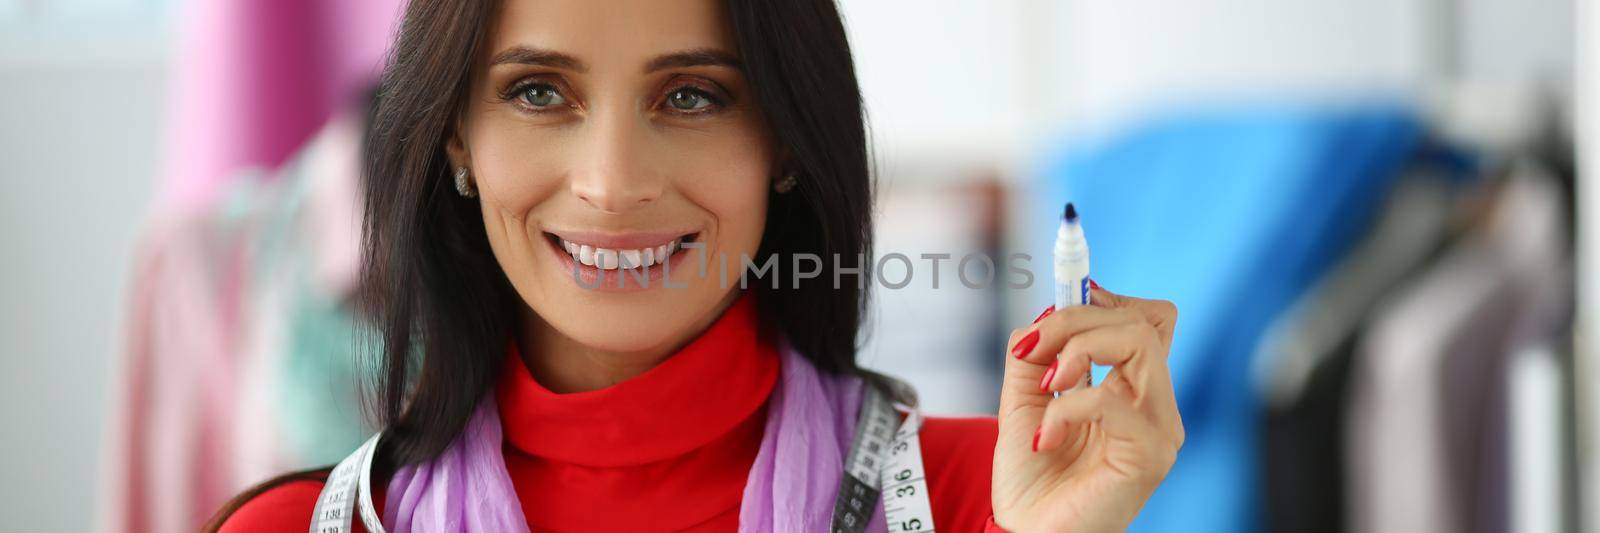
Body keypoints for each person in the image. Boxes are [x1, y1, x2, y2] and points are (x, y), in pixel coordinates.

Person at [209, 0, 1184, 531]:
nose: (612, 183)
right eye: (540, 90)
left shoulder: (995, 503)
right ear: (457, 139)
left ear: (786, 142)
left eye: (691, 97)